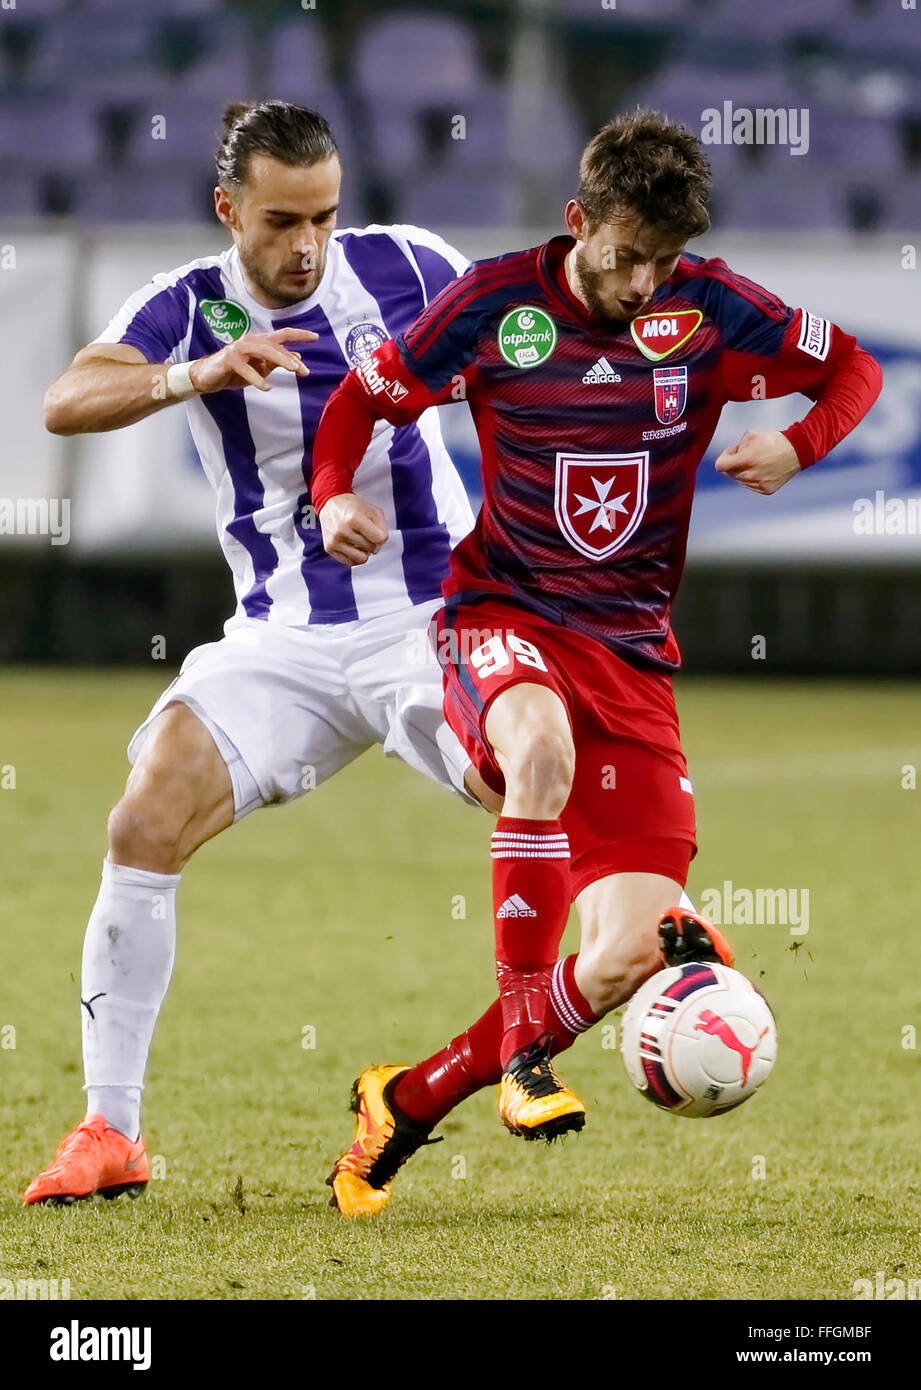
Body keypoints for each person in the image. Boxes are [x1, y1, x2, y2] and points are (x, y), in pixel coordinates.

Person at [312, 107, 883, 1216]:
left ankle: (410, 1097)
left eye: (662, 260)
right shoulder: (491, 304)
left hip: (632, 655)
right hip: (500, 614)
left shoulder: (709, 305)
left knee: (627, 956)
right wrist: (335, 492)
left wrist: (797, 442)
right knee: (538, 746)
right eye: (626, 256)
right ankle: (528, 1027)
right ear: (579, 222)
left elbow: (853, 367)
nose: (642, 282)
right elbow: (362, 400)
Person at [23, 99, 497, 1205]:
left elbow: (526, 345)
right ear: (228, 207)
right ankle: (111, 1132)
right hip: (282, 639)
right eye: (281, 220)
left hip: (433, 617)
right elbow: (65, 399)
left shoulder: (411, 267)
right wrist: (194, 373)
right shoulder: (189, 304)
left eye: (324, 216)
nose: (306, 246)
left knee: (526, 785)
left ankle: (540, 1038)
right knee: (144, 815)